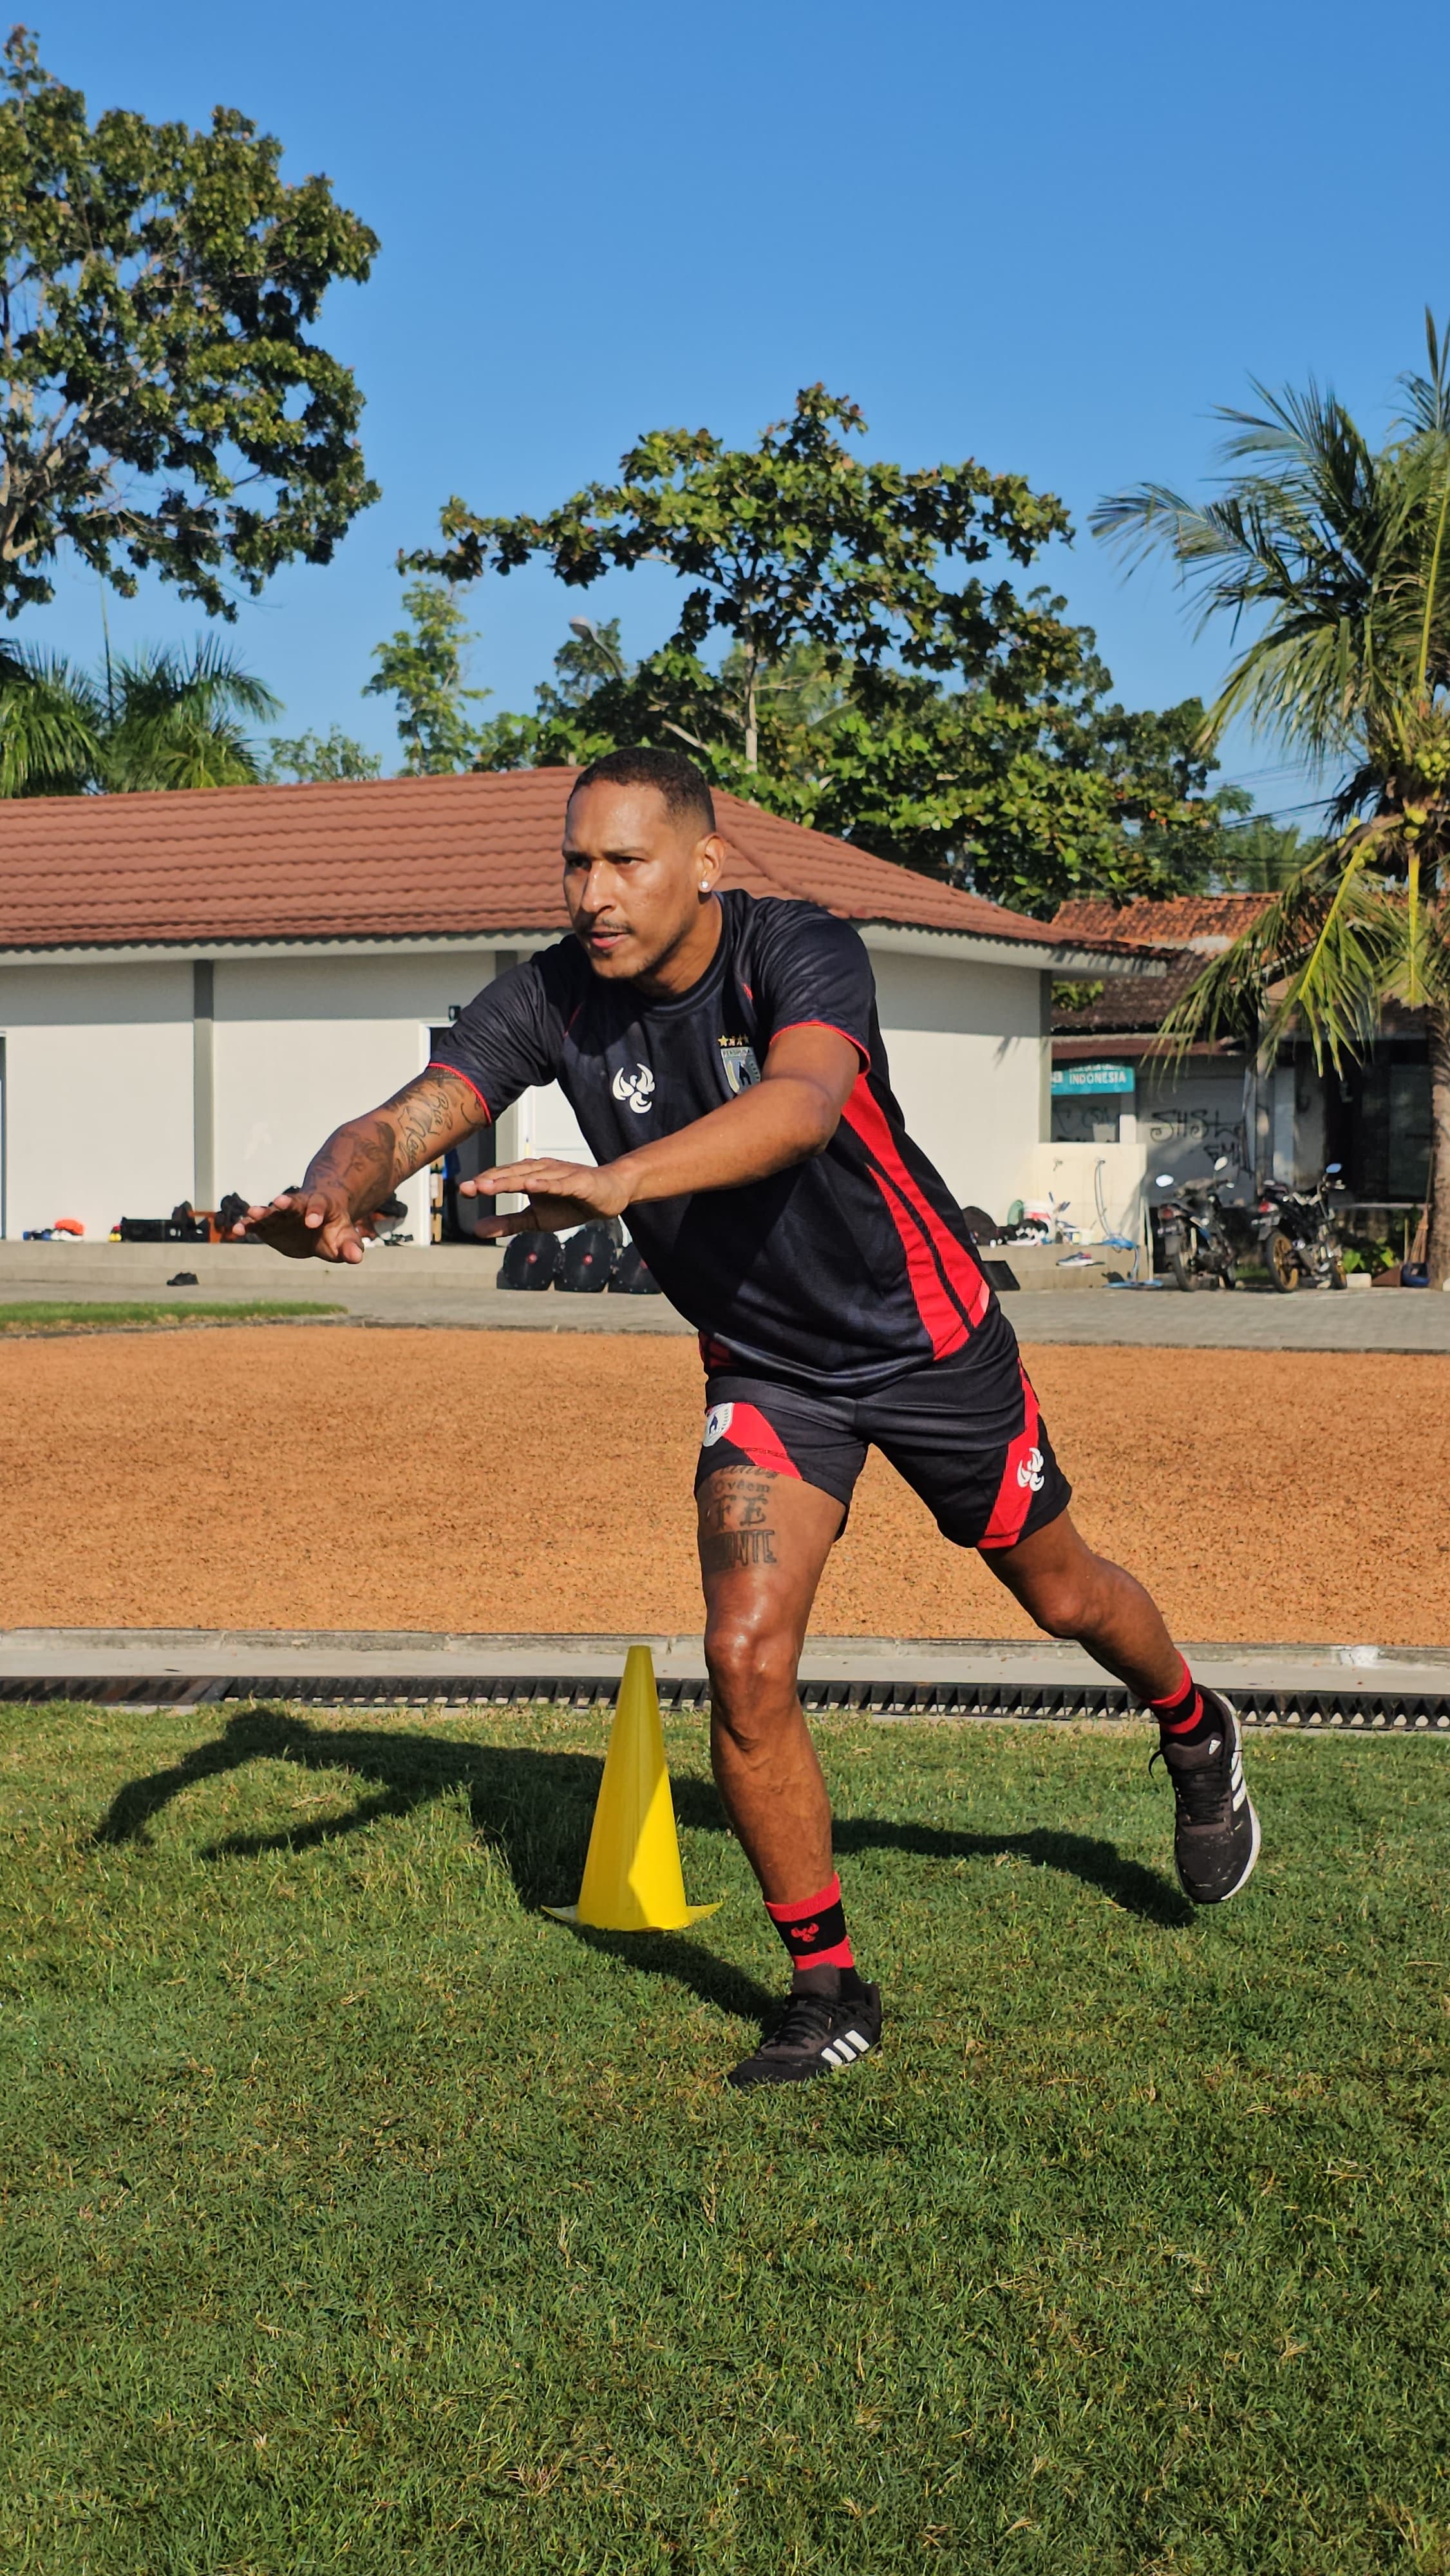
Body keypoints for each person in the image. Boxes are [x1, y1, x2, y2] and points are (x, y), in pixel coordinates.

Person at [240, 745, 1261, 2088]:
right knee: (742, 1649)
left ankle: (1192, 1725)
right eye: (574, 862)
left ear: (703, 862)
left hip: (927, 1334)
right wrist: (331, 1190)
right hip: (767, 1368)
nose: (593, 893)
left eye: (624, 861)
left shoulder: (800, 948)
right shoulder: (550, 992)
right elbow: (408, 1117)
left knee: (1064, 1593)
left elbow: (798, 1108)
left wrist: (619, 1181)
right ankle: (826, 1984)